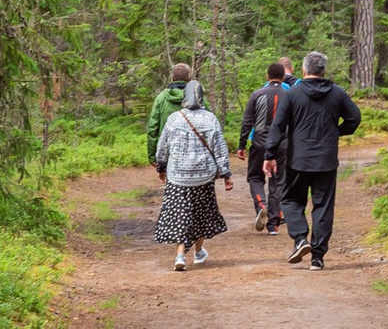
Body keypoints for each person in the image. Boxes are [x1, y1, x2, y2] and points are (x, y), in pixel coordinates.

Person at [267, 50, 362, 270]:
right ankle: (317, 257)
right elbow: (354, 118)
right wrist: (337, 132)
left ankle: (300, 239)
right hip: (326, 160)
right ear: (323, 71)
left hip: (298, 159)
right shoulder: (337, 93)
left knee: (290, 200)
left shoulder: (292, 93)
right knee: (323, 206)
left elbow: (278, 126)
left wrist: (269, 154)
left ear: (304, 70)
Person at [152, 80, 232, 270]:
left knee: (180, 214)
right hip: (204, 176)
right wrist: (226, 173)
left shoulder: (174, 118)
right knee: (201, 214)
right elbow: (219, 148)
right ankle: (198, 252)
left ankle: (180, 256)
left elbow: (162, 146)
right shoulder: (210, 119)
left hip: (177, 176)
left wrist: (161, 167)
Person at [239, 60, 293, 232]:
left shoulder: (257, 94)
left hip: (260, 142)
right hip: (282, 144)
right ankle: (273, 225)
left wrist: (241, 145)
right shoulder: (290, 95)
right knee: (278, 181)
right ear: (283, 77)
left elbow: (247, 121)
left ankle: (261, 204)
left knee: (255, 177)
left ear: (267, 76)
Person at [145, 63, 193, 166]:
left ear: (172, 78)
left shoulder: (161, 98)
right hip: (194, 153)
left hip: (168, 154)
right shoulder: (198, 98)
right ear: (189, 78)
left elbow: (153, 128)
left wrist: (153, 156)